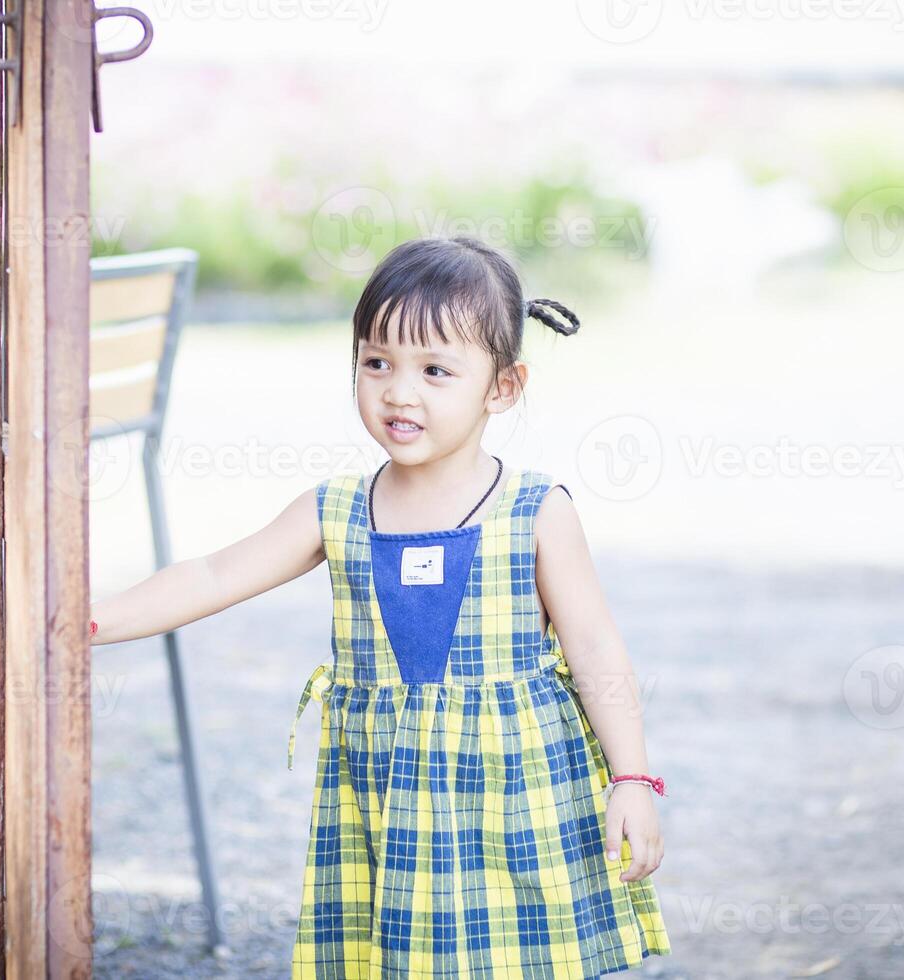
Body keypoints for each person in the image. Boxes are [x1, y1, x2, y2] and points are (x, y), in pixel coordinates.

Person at [90, 235, 672, 977]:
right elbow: (211, 575)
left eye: (435, 370)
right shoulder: (334, 510)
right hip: (388, 809)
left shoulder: (535, 511)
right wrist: (91, 622)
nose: (400, 391)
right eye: (377, 363)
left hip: (516, 800)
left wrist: (632, 779)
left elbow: (594, 648)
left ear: (502, 388)